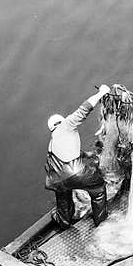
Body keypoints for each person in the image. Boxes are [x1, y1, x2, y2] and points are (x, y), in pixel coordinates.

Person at [44, 85, 111, 229]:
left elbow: (66, 155)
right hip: (76, 172)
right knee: (98, 189)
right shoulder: (66, 125)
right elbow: (84, 108)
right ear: (61, 121)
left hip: (57, 179)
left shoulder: (52, 143)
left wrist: (88, 154)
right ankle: (101, 223)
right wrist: (101, 93)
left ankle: (64, 221)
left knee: (63, 196)